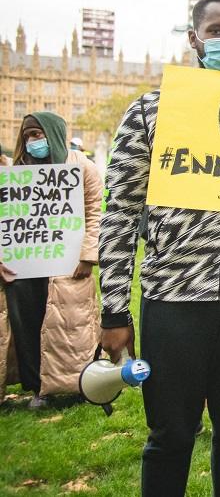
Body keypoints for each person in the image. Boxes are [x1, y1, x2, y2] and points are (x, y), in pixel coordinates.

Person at [98, 0, 220, 497]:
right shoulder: (149, 114)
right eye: (218, 32)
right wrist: (114, 311)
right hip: (175, 300)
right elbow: (119, 215)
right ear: (194, 39)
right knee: (170, 435)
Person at [0, 112, 102, 409]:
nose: (34, 141)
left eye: (38, 134)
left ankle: (79, 382)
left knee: (70, 326)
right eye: (28, 136)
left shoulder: (82, 166)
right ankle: (37, 387)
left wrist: (87, 255)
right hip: (23, 267)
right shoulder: (16, 171)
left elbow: (95, 213)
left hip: (68, 265)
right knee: (27, 325)